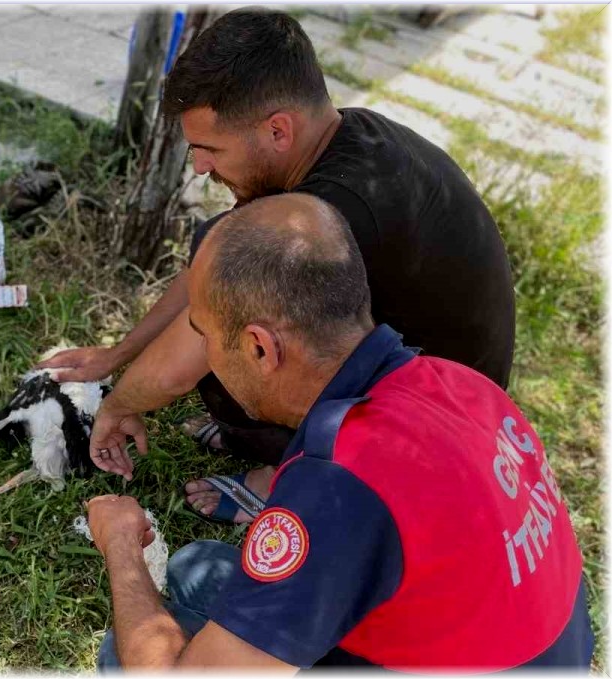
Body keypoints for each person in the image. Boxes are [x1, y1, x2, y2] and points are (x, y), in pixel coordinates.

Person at [43, 8, 516, 524]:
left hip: (439, 437)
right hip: (440, 386)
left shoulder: (338, 209)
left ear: (277, 130)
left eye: (209, 148)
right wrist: (119, 355)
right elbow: (212, 268)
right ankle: (278, 441)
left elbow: (185, 357)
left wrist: (117, 406)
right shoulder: (339, 139)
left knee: (233, 336)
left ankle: (281, 477)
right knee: (224, 273)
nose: (200, 166)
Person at [85, 193, 592, 671]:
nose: (207, 357)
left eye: (205, 335)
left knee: (126, 653)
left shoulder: (340, 482)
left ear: (261, 348)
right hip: (528, 649)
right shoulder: (458, 383)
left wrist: (122, 545)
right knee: (199, 568)